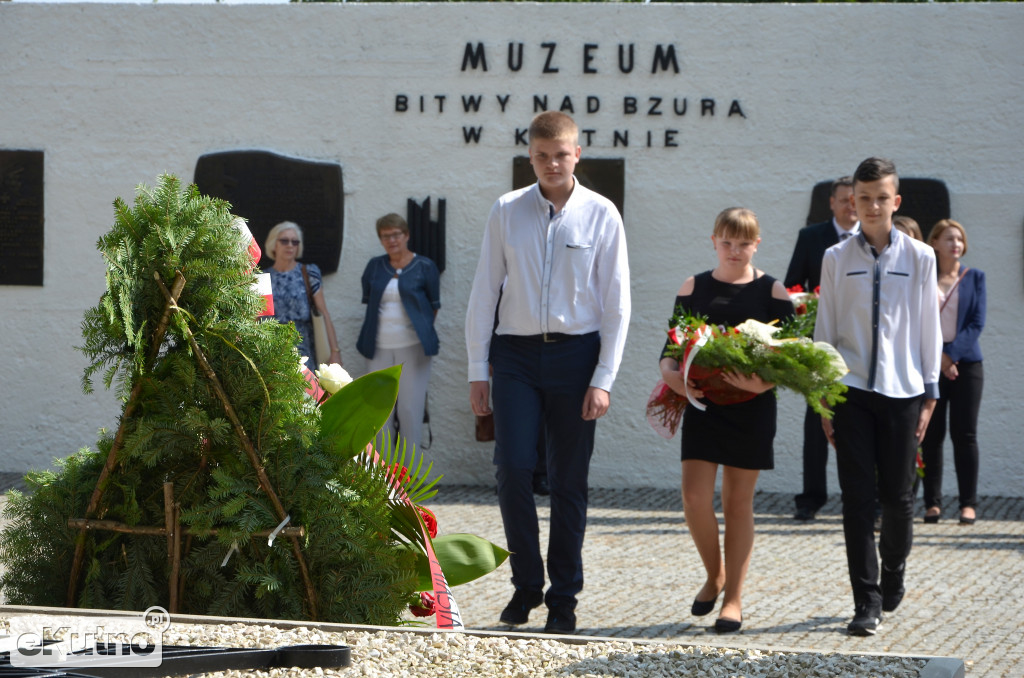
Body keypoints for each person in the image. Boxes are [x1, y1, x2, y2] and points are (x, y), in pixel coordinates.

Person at [465, 111, 630, 634]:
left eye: (561, 154)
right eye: (542, 156)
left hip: (576, 357)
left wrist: (603, 378)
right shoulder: (507, 210)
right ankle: (525, 585)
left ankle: (563, 599)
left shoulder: (601, 213)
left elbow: (617, 303)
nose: (552, 164)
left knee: (568, 480)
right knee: (512, 469)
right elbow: (484, 291)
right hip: (514, 356)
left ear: (577, 154)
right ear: (530, 157)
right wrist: (477, 369)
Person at [815, 157, 941, 636]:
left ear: (896, 201)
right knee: (856, 499)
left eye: (881, 198)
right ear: (852, 201)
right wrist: (822, 397)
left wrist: (930, 394)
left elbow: (929, 328)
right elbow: (825, 329)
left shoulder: (921, 257)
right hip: (849, 391)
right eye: (863, 198)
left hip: (903, 390)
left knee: (897, 497)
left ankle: (894, 568)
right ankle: (865, 601)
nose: (871, 206)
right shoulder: (835, 257)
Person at [659, 207, 794, 634]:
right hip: (703, 406)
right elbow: (671, 349)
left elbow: (793, 358)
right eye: (727, 242)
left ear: (757, 244)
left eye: (744, 243)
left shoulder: (774, 292)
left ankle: (733, 598)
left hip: (752, 410)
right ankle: (714, 575)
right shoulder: (693, 286)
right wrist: (674, 379)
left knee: (738, 503)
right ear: (714, 242)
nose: (734, 250)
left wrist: (762, 383)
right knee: (694, 499)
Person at [785, 177, 859, 521]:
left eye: (855, 200)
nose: (850, 206)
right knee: (817, 420)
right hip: (820, 343)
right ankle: (810, 498)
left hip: (860, 344)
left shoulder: (870, 239)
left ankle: (861, 497)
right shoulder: (811, 237)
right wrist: (809, 309)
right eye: (844, 200)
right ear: (832, 203)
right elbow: (792, 287)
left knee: (859, 421)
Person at [356, 213, 441, 454]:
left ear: (406, 235)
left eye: (396, 235)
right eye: (385, 236)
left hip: (413, 348)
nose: (391, 240)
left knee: (409, 411)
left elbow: (433, 306)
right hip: (377, 348)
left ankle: (409, 473)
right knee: (380, 412)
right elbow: (369, 302)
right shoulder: (375, 266)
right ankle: (382, 473)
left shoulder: (425, 266)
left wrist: (420, 330)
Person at [920, 219, 985, 525]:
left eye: (959, 239)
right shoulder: (924, 278)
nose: (955, 244)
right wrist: (939, 358)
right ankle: (932, 503)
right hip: (931, 363)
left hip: (966, 366)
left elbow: (976, 322)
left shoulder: (975, 277)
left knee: (965, 434)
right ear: (934, 243)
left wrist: (951, 355)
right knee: (931, 435)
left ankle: (967, 504)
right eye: (948, 238)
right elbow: (918, 320)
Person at [265, 221, 342, 369]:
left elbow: (323, 313)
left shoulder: (308, 273)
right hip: (271, 351)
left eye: (295, 242)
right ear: (273, 244)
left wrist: (335, 351)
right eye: (284, 241)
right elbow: (257, 318)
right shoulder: (263, 277)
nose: (290, 245)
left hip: (304, 350)